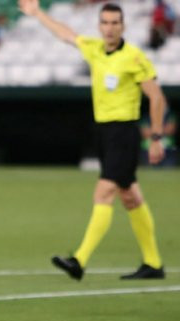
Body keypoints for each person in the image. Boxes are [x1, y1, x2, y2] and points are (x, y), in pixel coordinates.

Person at [19, 0, 168, 280]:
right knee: (131, 197)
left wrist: (157, 136)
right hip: (104, 133)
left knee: (104, 193)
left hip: (124, 132)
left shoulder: (134, 57)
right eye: (105, 23)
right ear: (99, 26)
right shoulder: (95, 49)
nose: (110, 28)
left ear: (123, 26)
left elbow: (157, 96)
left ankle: (79, 260)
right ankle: (154, 263)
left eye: (115, 23)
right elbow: (66, 34)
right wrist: (38, 13)